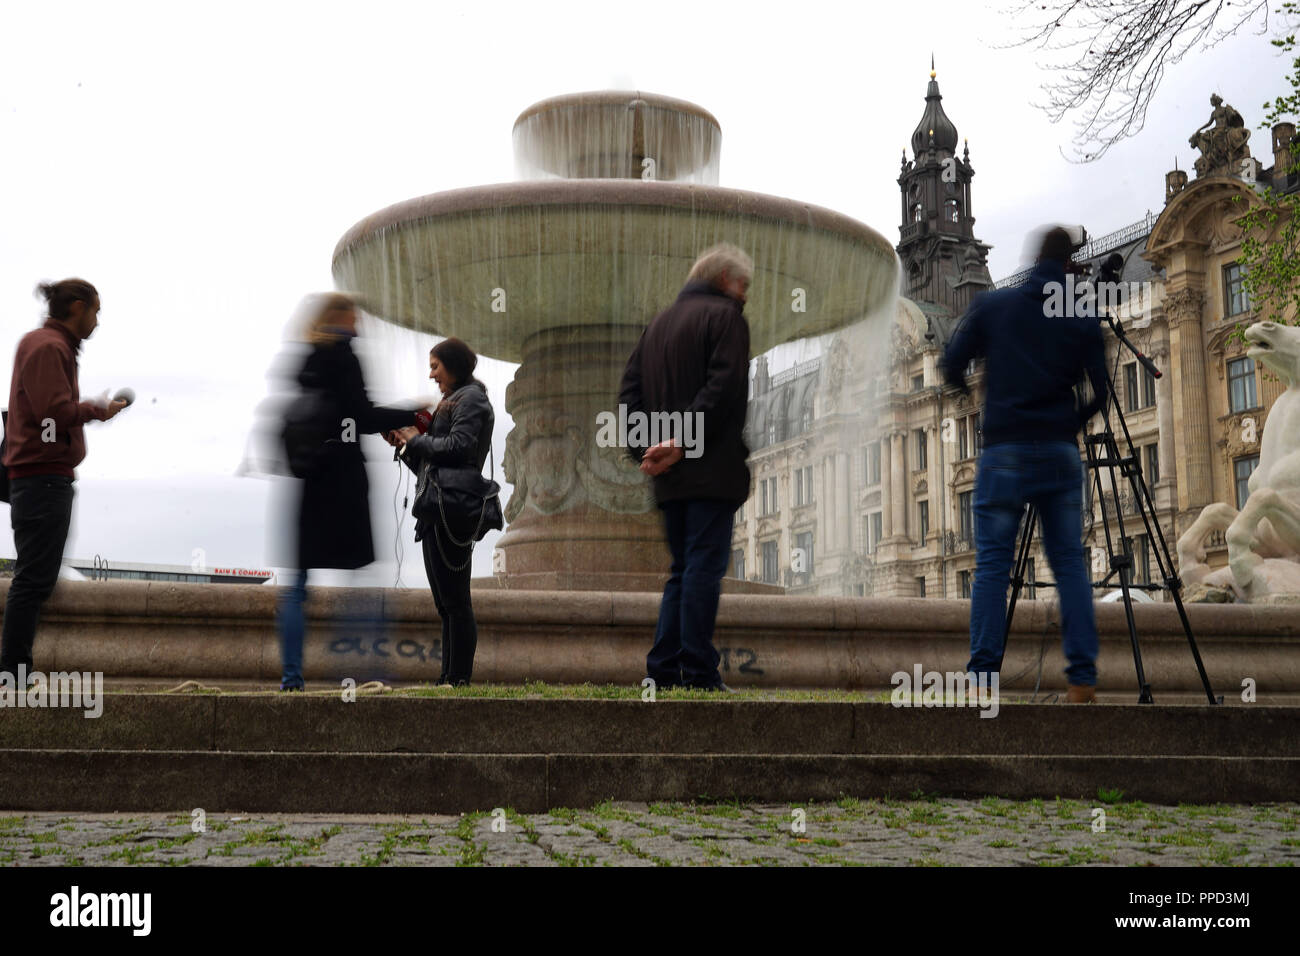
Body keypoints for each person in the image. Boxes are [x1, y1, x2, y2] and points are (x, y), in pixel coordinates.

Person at [941, 227, 1108, 703]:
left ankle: (983, 679)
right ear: (1070, 265)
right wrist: (1069, 422)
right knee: (1070, 565)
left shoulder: (995, 305)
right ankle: (1081, 677)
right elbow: (1103, 390)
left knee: (993, 565)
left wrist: (974, 397)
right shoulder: (1079, 310)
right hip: (1057, 450)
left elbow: (951, 364)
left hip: (1003, 451)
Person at [617, 243, 753, 692]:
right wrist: (682, 441)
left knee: (682, 568)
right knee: (701, 569)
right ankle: (697, 671)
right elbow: (724, 387)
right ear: (724, 280)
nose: (746, 294)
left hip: (669, 476)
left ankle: (662, 669)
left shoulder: (657, 325)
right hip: (710, 469)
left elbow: (629, 395)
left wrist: (646, 450)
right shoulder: (727, 318)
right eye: (743, 284)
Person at [276, 293, 419, 691]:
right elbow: (363, 414)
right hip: (342, 480)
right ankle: (362, 671)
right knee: (364, 581)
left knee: (297, 585)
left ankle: (292, 679)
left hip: (308, 480)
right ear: (340, 317)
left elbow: (342, 415)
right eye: (353, 316)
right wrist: (416, 412)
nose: (359, 324)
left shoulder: (306, 358)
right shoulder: (344, 354)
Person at [2, 279, 128, 682]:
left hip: (40, 475)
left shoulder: (46, 345)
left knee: (36, 577)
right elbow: (50, 412)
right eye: (96, 311)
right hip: (42, 477)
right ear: (77, 307)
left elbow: (49, 413)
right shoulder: (48, 347)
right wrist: (94, 409)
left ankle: (15, 672)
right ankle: (14, 675)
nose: (97, 321)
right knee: (34, 579)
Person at [388, 337, 494, 687]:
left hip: (453, 508)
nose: (431, 375)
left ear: (454, 366)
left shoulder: (472, 399)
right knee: (446, 603)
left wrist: (416, 439)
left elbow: (460, 447)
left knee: (456, 601)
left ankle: (458, 679)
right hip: (437, 507)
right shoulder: (454, 400)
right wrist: (405, 445)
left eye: (436, 366)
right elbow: (431, 462)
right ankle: (448, 678)